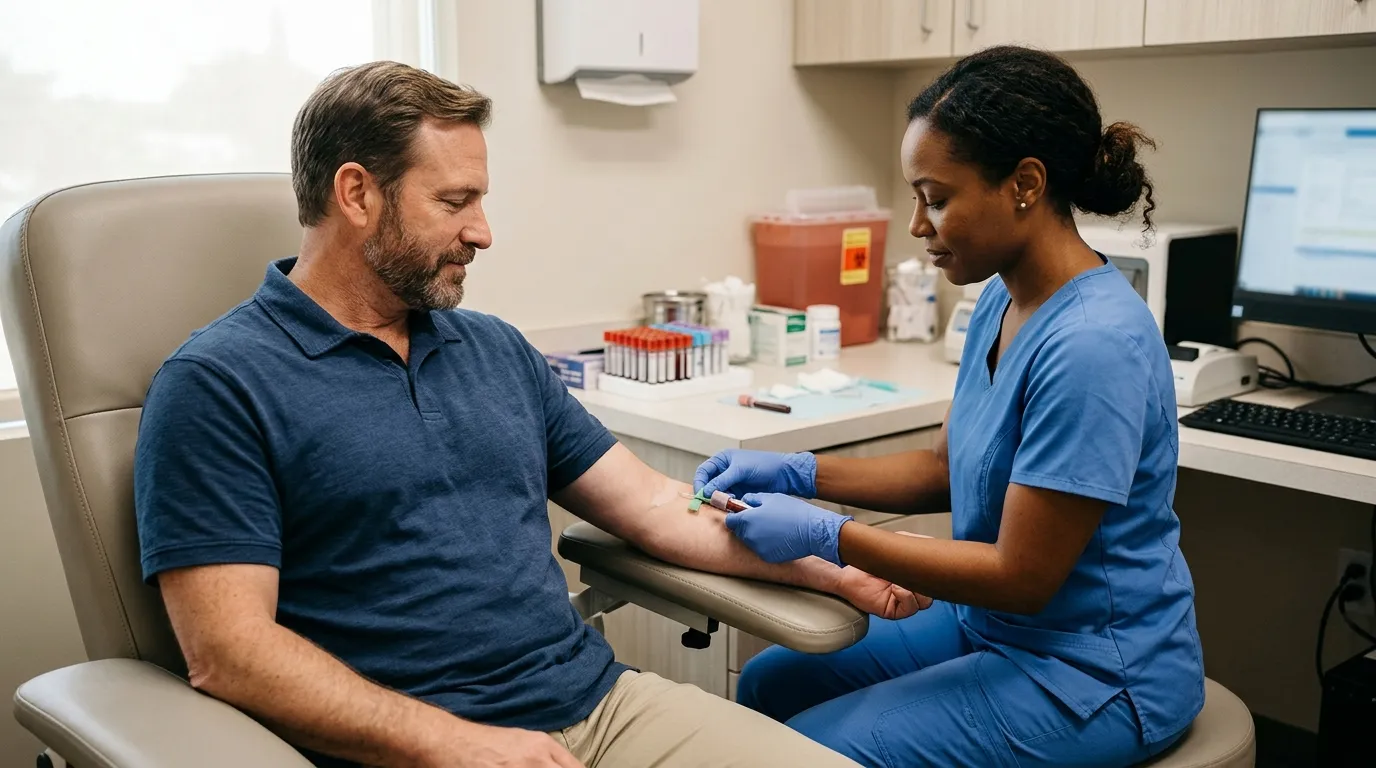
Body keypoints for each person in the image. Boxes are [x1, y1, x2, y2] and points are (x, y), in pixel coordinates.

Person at [133, 61, 924, 768]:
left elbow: (653, 504)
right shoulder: (218, 385)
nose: (483, 231)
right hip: (413, 746)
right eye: (455, 201)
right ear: (357, 193)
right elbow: (229, 652)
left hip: (601, 708)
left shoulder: (494, 351)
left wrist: (831, 562)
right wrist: (449, 741)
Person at [696, 46, 1204, 768]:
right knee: (769, 682)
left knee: (806, 755)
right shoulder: (1000, 297)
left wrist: (827, 535)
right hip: (992, 627)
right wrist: (798, 472)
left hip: (1092, 672)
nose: (916, 224)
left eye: (935, 197)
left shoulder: (1094, 343)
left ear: (1025, 184)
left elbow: (1022, 577)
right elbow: (944, 468)